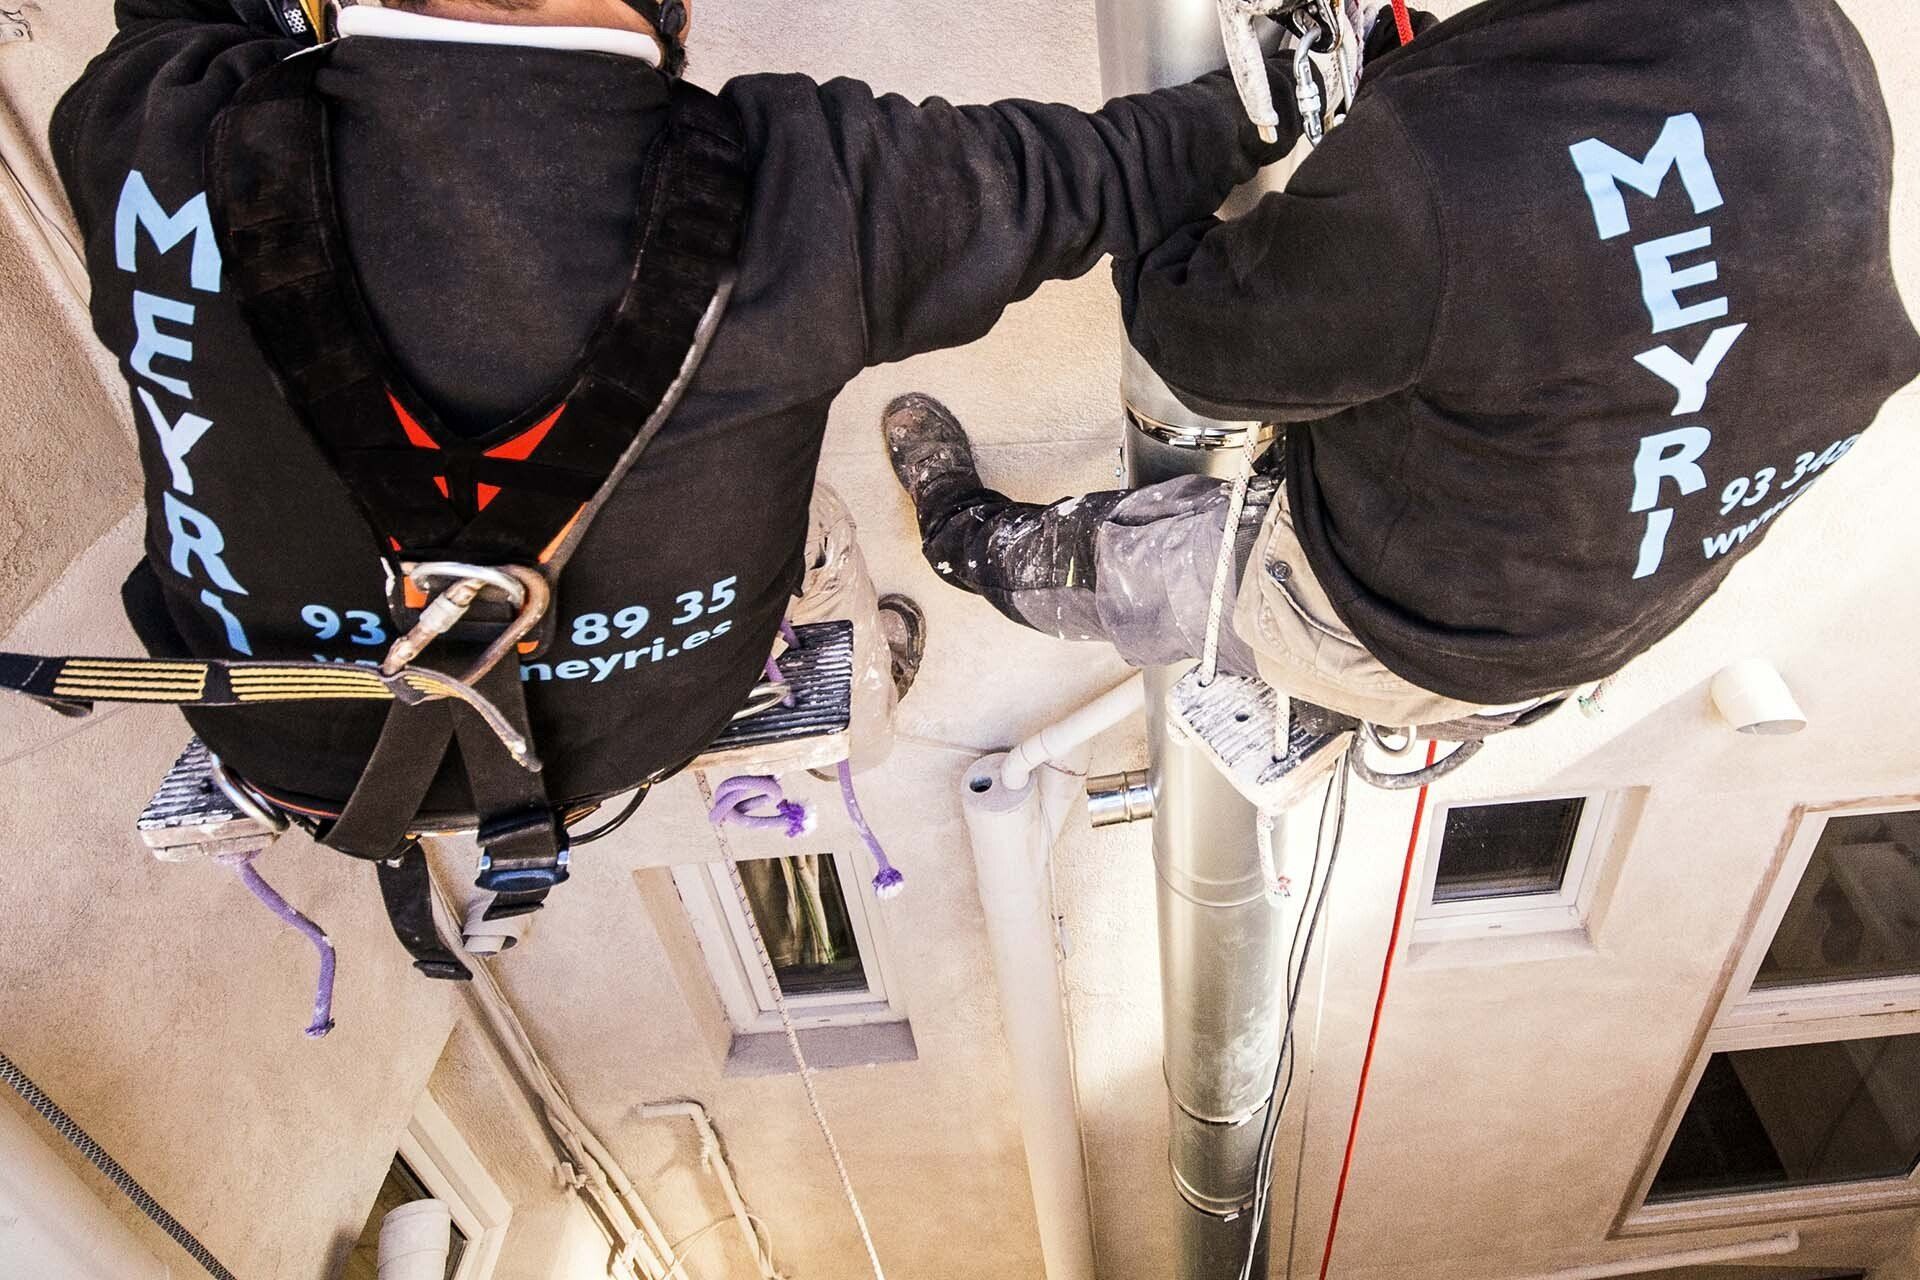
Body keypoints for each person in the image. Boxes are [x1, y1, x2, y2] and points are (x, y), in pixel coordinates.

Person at [40, 0, 1315, 960]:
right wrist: (1271, 104)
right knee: (770, 485)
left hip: (294, 740)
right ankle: (845, 598)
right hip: (629, 724)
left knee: (721, 451)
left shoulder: (160, 134)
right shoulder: (819, 190)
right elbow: (1113, 169)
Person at [886, 0, 1920, 732]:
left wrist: (1180, 148)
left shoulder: (1448, 179)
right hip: (1626, 583)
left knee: (1126, 566)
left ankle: (961, 533)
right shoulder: (1806, 39)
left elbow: (1195, 340)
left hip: (1430, 634)